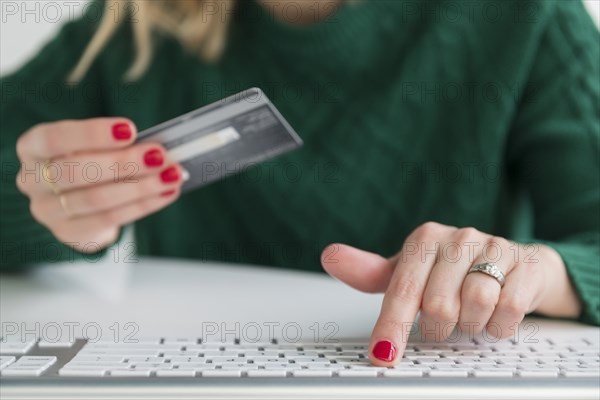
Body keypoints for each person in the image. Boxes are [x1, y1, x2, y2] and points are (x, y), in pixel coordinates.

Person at [1, 0, 598, 365]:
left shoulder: (526, 12)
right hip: (196, 375)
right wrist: (52, 206)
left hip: (437, 363)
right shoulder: (136, 21)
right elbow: (20, 168)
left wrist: (531, 273)